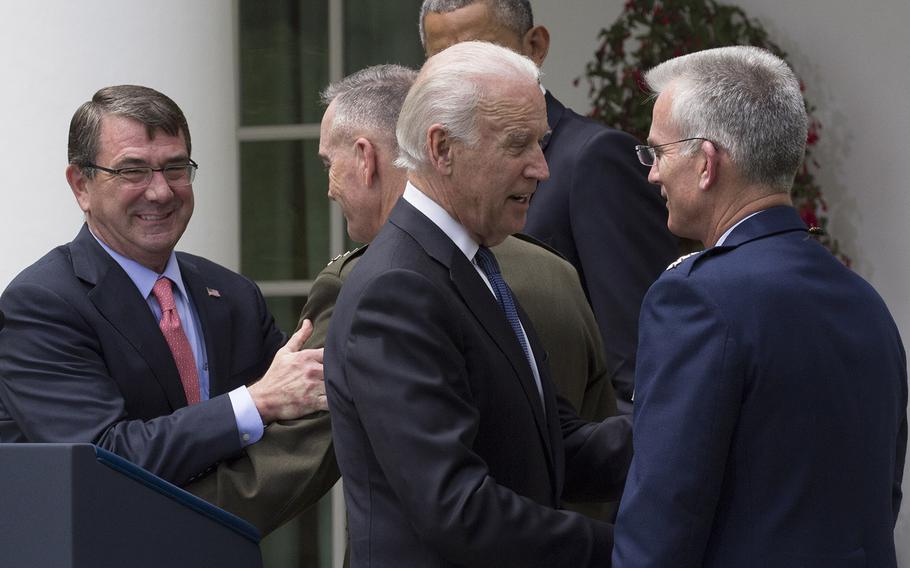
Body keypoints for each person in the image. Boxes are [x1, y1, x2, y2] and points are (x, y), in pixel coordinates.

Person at [186, 62, 619, 532]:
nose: (329, 191)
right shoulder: (546, 269)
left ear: (366, 157)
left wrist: (156, 520)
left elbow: (291, 466)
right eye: (520, 144)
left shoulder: (383, 284)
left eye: (330, 166)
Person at [325, 41, 632, 567]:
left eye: (541, 143)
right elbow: (458, 510)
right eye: (519, 145)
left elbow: (556, 444)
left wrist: (691, 427)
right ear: (442, 148)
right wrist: (633, 552)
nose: (542, 168)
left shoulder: (469, 263)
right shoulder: (398, 289)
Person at [612, 46, 907, 567]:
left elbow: (664, 514)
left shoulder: (696, 297)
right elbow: (879, 499)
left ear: (705, 163)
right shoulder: (865, 301)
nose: (653, 174)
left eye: (657, 152)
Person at [0, 85, 328, 486]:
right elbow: (103, 458)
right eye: (132, 170)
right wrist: (254, 404)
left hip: (227, 546)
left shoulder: (234, 295)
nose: (160, 191)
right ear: (80, 185)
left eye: (175, 168)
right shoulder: (41, 304)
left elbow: (297, 413)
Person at [419, 0, 679, 412]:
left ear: (535, 47)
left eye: (482, 54)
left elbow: (640, 366)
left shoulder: (592, 160)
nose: (463, 79)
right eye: (444, 62)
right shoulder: (439, 173)